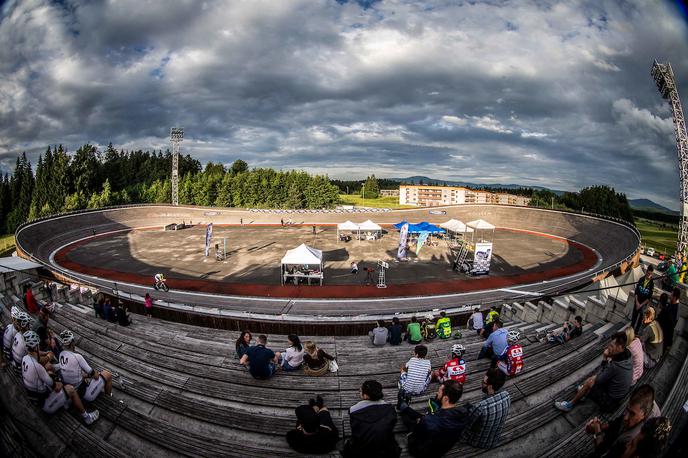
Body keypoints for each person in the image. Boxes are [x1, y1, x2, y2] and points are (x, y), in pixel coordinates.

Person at [21, 331, 100, 424]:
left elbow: (45, 369)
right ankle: (87, 417)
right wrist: (57, 380)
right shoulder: (37, 367)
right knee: (70, 389)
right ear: (35, 347)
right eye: (38, 346)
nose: (39, 348)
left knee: (51, 371)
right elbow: (57, 388)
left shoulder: (25, 358)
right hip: (45, 404)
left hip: (35, 398)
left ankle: (65, 400)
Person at [555, 332, 633, 413]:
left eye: (612, 346)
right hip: (618, 393)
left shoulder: (615, 366)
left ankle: (569, 405)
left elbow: (599, 380)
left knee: (590, 381)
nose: (608, 348)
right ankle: (583, 392)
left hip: (611, 402)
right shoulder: (627, 354)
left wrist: (605, 358)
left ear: (620, 348)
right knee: (592, 379)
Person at [585, 384, 661, 457]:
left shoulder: (631, 442)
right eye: (627, 410)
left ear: (644, 415)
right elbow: (616, 423)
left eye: (632, 414)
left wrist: (597, 431)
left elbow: (602, 453)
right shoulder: (634, 413)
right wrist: (600, 426)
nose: (626, 417)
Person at [399, 380, 470, 457]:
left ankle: (402, 406)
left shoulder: (429, 421)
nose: (437, 393)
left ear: (446, 398)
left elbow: (417, 435)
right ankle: (404, 407)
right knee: (420, 417)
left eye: (439, 392)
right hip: (441, 450)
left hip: (421, 452)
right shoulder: (464, 414)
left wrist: (419, 423)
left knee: (407, 419)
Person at [342, 380, 400, 457]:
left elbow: (355, 431)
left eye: (360, 391)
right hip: (385, 449)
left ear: (366, 396)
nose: (359, 392)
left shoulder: (353, 411)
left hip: (362, 450)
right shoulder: (390, 409)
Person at [461, 368, 511, 449]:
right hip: (494, 440)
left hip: (479, 442)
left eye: (483, 382)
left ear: (490, 387)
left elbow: (467, 428)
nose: (482, 383)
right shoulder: (507, 395)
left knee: (463, 410)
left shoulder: (480, 407)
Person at [57, 330, 113, 402]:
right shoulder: (77, 357)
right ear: (72, 342)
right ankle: (108, 398)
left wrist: (86, 376)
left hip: (71, 389)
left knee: (84, 374)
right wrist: (95, 373)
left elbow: (72, 372)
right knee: (107, 374)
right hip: (84, 394)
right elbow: (96, 376)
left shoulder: (61, 354)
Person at [632, 265, 654, 333]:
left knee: (640, 319)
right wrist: (637, 302)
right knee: (633, 318)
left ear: (652, 274)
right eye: (648, 273)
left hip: (643, 304)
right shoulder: (641, 279)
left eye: (650, 274)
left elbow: (649, 297)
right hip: (637, 301)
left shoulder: (652, 284)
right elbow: (636, 292)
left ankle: (636, 332)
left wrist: (641, 305)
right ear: (646, 272)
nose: (648, 275)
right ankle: (631, 330)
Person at [657, 287, 679, 354]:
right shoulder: (671, 305)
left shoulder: (674, 310)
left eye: (671, 295)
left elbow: (671, 326)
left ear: (675, 297)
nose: (670, 296)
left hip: (665, 337)